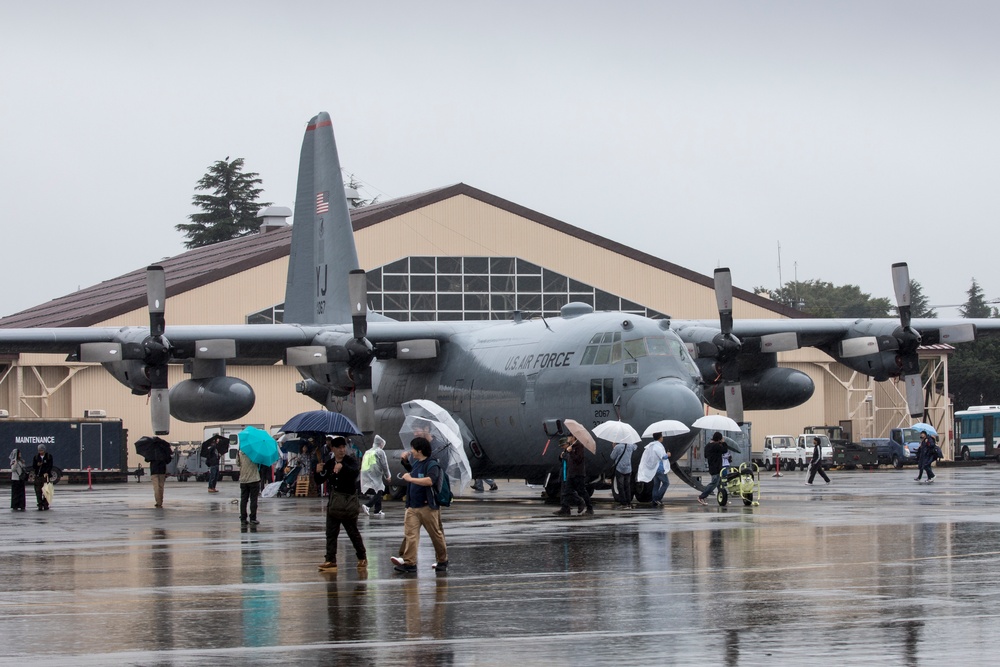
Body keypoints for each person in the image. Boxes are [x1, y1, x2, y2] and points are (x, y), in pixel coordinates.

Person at [391, 437, 449, 573]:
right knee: (410, 535)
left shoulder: (432, 465)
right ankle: (409, 562)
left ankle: (442, 560)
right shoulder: (417, 463)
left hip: (428, 507)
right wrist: (405, 462)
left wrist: (411, 479)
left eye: (413, 448)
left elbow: (430, 481)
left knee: (435, 535)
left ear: (420, 450)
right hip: (412, 506)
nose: (411, 451)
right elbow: (413, 471)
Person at [314, 435, 367, 572]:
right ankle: (330, 560)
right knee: (331, 533)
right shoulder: (329, 463)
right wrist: (317, 471)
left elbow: (354, 473)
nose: (342, 450)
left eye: (344, 447)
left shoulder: (351, 461)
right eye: (339, 448)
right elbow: (320, 480)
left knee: (353, 532)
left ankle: (362, 557)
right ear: (333, 448)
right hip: (334, 503)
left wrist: (342, 467)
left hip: (348, 503)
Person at [554, 434, 593, 516]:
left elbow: (578, 459)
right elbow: (568, 459)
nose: (567, 439)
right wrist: (562, 455)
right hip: (570, 473)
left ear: (573, 437)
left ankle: (589, 508)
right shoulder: (570, 447)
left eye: (569, 437)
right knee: (566, 491)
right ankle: (565, 509)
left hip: (578, 473)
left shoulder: (579, 446)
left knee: (582, 491)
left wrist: (570, 452)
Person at [361, 435, 391, 517]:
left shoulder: (368, 452)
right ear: (380, 444)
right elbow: (384, 465)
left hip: (367, 473)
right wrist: (388, 475)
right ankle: (367, 505)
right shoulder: (380, 451)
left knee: (377, 490)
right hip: (375, 473)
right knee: (379, 490)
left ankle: (378, 510)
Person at [697, 432, 728, 505]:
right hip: (717, 467)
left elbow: (705, 455)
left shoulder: (708, 445)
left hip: (712, 466)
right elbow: (725, 450)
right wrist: (724, 443)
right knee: (714, 483)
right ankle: (701, 497)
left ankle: (723, 499)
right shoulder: (716, 446)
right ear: (719, 439)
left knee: (720, 484)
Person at [609, 440, 637, 508]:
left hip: (620, 469)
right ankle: (628, 502)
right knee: (627, 486)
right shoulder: (631, 446)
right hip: (628, 469)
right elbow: (635, 446)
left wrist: (614, 447)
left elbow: (612, 457)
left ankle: (623, 503)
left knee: (620, 486)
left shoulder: (618, 447)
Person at [238, 449, 261, 525]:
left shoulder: (239, 452)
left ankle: (243, 518)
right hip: (254, 479)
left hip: (243, 479)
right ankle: (253, 518)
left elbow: (238, 463)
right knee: (253, 499)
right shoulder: (255, 452)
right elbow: (259, 462)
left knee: (243, 499)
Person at [31, 444, 53, 511]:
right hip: (38, 476)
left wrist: (47, 472)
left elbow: (50, 465)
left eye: (41, 450)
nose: (40, 452)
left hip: (45, 476)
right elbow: (33, 466)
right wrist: (37, 465)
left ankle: (45, 504)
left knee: (46, 491)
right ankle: (40, 504)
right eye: (39, 450)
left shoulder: (48, 456)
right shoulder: (36, 457)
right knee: (38, 491)